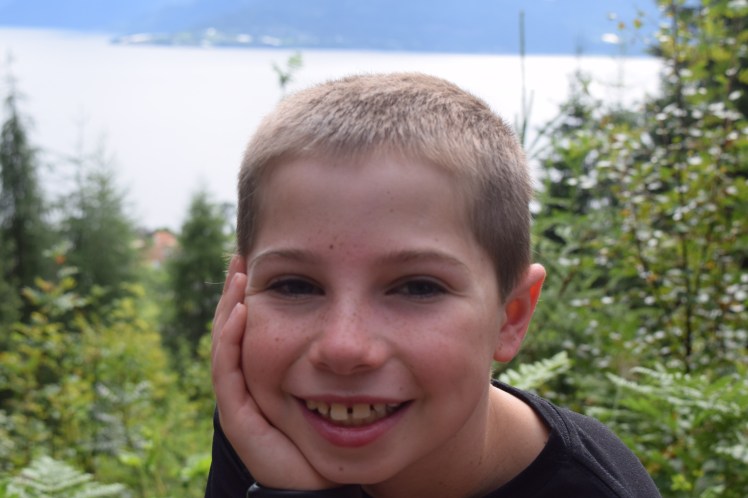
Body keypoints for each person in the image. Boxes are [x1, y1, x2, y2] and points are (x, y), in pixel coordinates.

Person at [205, 73, 661, 497]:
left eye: (418, 288)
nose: (343, 348)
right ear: (238, 296)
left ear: (511, 315)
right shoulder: (265, 430)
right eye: (294, 286)